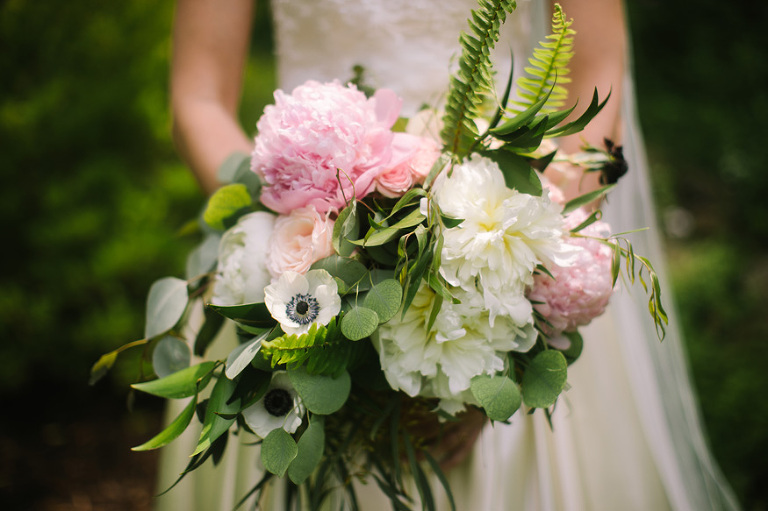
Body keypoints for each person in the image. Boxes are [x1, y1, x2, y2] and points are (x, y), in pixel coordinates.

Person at [157, 0, 740, 509]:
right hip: (290, 233)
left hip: (497, 221)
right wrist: (283, 245)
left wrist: (514, 292)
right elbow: (198, 96)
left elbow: (597, 72)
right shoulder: (282, 246)